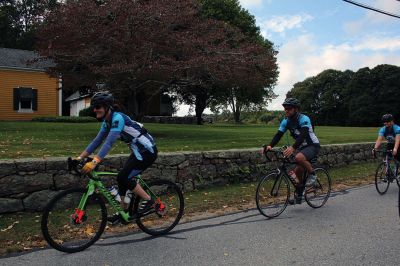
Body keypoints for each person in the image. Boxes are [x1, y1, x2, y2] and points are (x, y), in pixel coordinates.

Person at [76, 91, 158, 224]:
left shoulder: (117, 119)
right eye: (94, 107)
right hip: (137, 152)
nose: (95, 109)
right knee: (121, 180)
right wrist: (79, 158)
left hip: (148, 151)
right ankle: (123, 213)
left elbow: (108, 143)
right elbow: (97, 141)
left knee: (123, 177)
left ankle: (149, 200)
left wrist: (95, 161)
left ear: (107, 107)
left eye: (98, 106)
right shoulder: (107, 122)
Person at [264, 97, 320, 204]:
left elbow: (303, 135)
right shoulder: (286, 121)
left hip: (312, 145)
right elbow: (278, 135)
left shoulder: (304, 119)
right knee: (296, 171)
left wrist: (293, 148)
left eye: (289, 108)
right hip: (301, 147)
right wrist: (270, 146)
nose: (286, 110)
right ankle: (300, 191)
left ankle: (312, 175)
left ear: (296, 109)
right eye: (285, 108)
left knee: (299, 157)